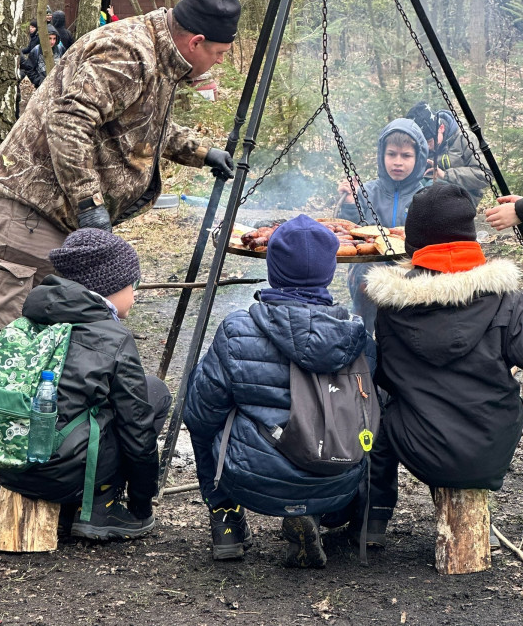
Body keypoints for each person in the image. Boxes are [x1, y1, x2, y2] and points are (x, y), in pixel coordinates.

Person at [0, 0, 240, 437]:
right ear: (196, 41)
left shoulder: (163, 55)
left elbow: (139, 121)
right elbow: (69, 119)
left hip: (67, 210)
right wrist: (90, 203)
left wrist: (200, 151)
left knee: (65, 319)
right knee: (7, 320)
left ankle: (34, 423)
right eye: (219, 53)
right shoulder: (129, 52)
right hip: (34, 200)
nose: (219, 62)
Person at [184, 214, 376, 567]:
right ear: (330, 271)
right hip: (337, 477)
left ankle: (226, 522)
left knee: (205, 408)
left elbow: (199, 414)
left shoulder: (237, 329)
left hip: (256, 477)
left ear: (272, 269)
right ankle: (328, 515)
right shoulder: (357, 336)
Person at [361, 182, 523, 547]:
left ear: (414, 241)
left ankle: (373, 517)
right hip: (492, 447)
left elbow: (384, 373)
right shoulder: (508, 299)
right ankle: (478, 518)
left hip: (422, 448)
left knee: (380, 410)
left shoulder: (391, 305)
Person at [0, 228, 171, 541]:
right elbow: (138, 431)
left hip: (10, 467)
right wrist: (141, 503)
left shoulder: (30, 318)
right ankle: (100, 506)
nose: (135, 293)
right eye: (134, 284)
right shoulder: (113, 337)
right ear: (111, 287)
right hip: (62, 476)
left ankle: (75, 501)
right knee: (154, 392)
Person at [337, 118, 428, 332]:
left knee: (401, 326)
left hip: (409, 269)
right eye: (392, 154)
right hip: (367, 274)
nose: (398, 162)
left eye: (406, 156)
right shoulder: (368, 191)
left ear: (419, 158)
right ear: (382, 155)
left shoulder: (426, 195)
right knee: (366, 283)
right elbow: (352, 232)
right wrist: (350, 203)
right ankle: (364, 339)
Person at [406, 101, 490, 206]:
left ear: (441, 128)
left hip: (464, 195)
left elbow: (485, 174)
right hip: (427, 191)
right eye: (422, 142)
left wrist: (446, 175)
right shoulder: (417, 145)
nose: (426, 147)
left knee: (432, 191)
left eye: (429, 141)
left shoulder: (464, 138)